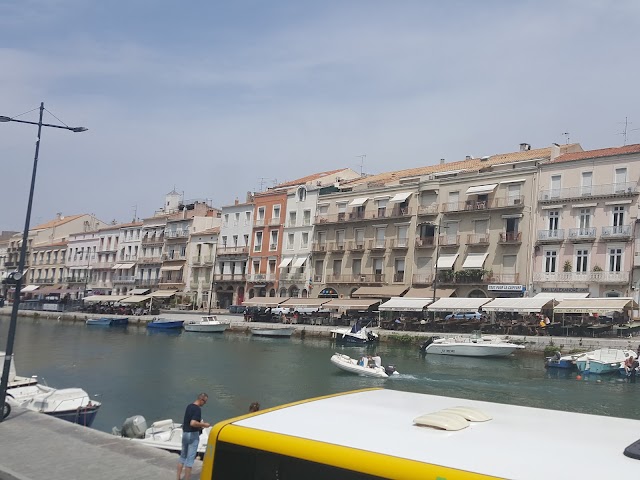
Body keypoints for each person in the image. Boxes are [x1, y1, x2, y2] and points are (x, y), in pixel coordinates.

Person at [177, 393, 210, 480]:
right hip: (193, 435)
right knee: (190, 460)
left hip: (185, 433)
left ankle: (178, 478)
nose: (204, 404)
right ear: (201, 400)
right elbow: (193, 423)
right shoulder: (197, 409)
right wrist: (204, 424)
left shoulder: (189, 406)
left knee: (182, 457)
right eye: (205, 402)